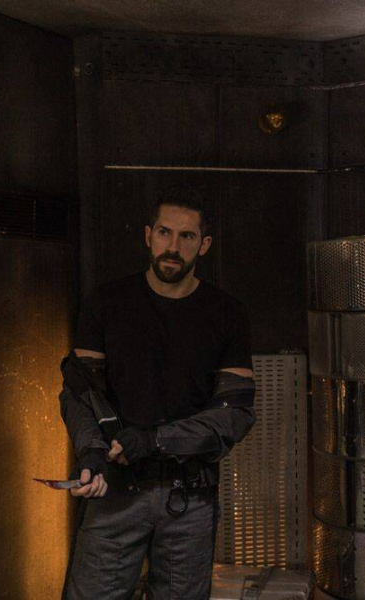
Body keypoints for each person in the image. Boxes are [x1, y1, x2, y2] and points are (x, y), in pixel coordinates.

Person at [59, 187, 256, 599]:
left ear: (204, 245)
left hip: (189, 496)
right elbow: (79, 393)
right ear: (148, 236)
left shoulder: (227, 313)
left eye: (187, 236)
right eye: (165, 233)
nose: (173, 247)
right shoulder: (106, 302)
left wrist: (155, 441)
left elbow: (233, 413)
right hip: (115, 490)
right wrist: (91, 450)